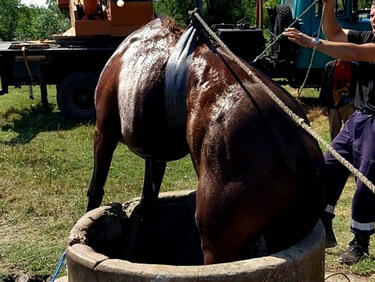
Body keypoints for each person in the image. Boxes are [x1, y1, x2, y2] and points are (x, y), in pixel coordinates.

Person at [283, 0, 375, 265]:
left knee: (365, 179)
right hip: (359, 116)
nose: (373, 19)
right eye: (371, 14)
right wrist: (329, 6)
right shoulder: (366, 35)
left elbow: (354, 53)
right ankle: (324, 225)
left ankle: (361, 241)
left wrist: (312, 43)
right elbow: (334, 34)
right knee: (328, 166)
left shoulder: (370, 44)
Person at [319, 59, 356, 140]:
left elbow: (357, 86)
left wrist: (355, 101)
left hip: (348, 103)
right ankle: (334, 151)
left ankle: (351, 149)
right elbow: (324, 86)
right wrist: (323, 105)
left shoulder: (353, 67)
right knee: (334, 130)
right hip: (332, 103)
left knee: (351, 129)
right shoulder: (329, 66)